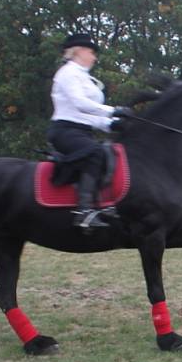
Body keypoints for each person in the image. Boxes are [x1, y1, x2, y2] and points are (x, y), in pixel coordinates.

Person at [47, 32, 125, 230]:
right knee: (95, 153)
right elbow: (80, 104)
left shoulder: (85, 77)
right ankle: (84, 212)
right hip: (64, 131)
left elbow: (86, 116)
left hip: (82, 130)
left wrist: (112, 124)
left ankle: (103, 205)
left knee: (110, 152)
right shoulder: (67, 73)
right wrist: (113, 111)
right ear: (79, 51)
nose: (94, 57)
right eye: (91, 52)